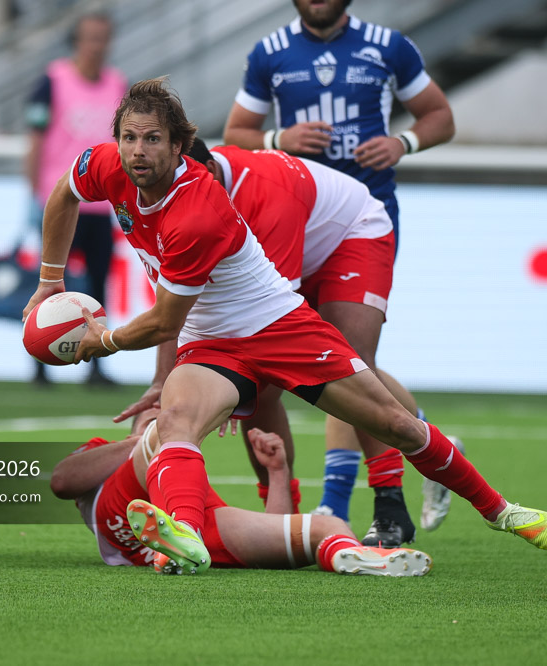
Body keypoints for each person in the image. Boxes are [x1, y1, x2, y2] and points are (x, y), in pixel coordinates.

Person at [24, 76, 547, 575]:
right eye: (129, 138)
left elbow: (165, 319)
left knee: (394, 424)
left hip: (275, 324)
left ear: (178, 145)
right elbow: (63, 196)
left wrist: (101, 341)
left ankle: (501, 510)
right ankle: (185, 535)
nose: (138, 151)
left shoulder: (197, 211)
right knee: (177, 419)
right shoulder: (106, 165)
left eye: (152, 140)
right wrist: (51, 280)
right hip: (210, 342)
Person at [119, 138, 463, 547]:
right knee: (258, 398)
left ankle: (390, 505)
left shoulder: (262, 197)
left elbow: (268, 330)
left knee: (349, 362)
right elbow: (174, 303)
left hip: (353, 234)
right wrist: (164, 383)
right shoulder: (168, 192)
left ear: (206, 173)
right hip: (295, 245)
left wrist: (223, 373)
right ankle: (284, 511)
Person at [223, 0, 457, 535]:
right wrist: (279, 141)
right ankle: (284, 505)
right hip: (290, 221)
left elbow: (440, 116)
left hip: (361, 221)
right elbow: (237, 131)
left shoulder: (387, 46)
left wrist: (404, 142)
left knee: (347, 361)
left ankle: (376, 506)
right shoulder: (271, 53)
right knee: (262, 374)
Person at [52, 408, 433, 576]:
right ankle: (184, 533)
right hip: (121, 515)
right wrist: (154, 429)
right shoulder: (112, 448)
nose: (170, 414)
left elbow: (275, 526)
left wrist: (278, 472)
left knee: (325, 526)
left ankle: (356, 556)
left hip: (197, 530)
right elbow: (62, 481)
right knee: (162, 437)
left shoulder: (189, 485)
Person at [24, 12, 126, 387]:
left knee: (99, 283)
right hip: (60, 201)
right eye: (91, 38)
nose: (97, 46)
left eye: (103, 38)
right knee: (51, 281)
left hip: (101, 205)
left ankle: (97, 362)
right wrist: (33, 195)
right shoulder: (52, 82)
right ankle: (38, 358)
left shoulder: (118, 83)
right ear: (76, 43)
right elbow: (34, 139)